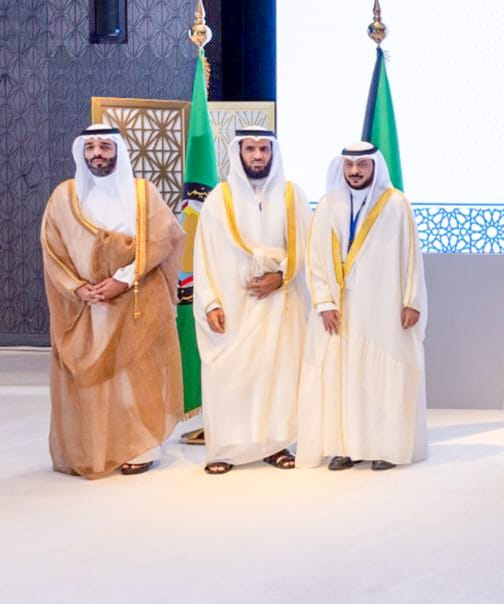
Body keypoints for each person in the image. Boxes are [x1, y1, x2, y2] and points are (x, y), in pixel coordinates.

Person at [39, 125, 185, 477]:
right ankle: (99, 448)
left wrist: (122, 279)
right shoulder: (65, 196)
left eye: (105, 146)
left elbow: (163, 239)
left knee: (136, 376)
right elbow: (52, 249)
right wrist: (77, 288)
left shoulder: (143, 193)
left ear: (118, 150)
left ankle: (141, 446)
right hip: (87, 305)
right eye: (90, 147)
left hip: (136, 298)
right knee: (98, 383)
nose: (97, 154)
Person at [298, 143, 428, 471]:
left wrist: (412, 301)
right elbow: (314, 259)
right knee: (343, 379)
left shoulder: (395, 204)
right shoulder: (327, 205)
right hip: (340, 311)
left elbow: (412, 257)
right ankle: (346, 446)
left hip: (384, 307)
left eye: (362, 165)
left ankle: (386, 447)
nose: (355, 171)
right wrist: (324, 302)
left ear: (374, 167)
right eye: (349, 165)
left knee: (384, 376)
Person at [193, 127, 309, 473]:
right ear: (238, 153)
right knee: (229, 375)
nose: (257, 156)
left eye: (263, 149)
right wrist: (210, 302)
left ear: (273, 153)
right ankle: (225, 448)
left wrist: (281, 276)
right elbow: (203, 255)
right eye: (250, 149)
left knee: (277, 375)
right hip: (234, 307)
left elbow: (308, 247)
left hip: (280, 305)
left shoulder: (292, 195)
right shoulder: (219, 199)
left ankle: (276, 445)